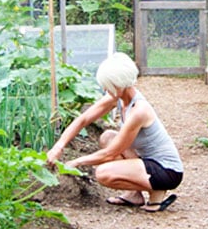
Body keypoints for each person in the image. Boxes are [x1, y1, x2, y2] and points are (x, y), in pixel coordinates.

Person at [46, 52, 183, 212]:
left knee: (103, 173)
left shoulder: (139, 110)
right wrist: (59, 146)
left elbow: (110, 154)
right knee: (108, 136)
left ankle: (156, 191)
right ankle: (134, 194)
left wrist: (76, 162)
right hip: (146, 160)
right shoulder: (118, 97)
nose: (105, 88)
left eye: (108, 85)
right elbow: (83, 119)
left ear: (120, 84)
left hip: (167, 170)